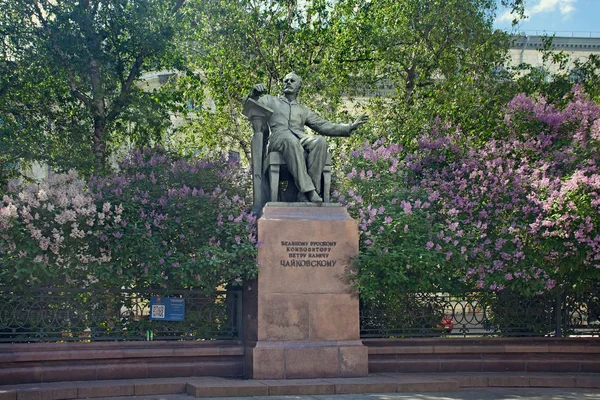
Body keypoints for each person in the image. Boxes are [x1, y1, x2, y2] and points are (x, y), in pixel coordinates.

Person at [246, 72, 368, 203]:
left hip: (299, 138)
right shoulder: (270, 100)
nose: (288, 82)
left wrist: (350, 127)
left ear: (298, 87)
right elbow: (250, 104)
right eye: (285, 80)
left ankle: (306, 194)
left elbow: (323, 125)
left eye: (292, 81)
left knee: (320, 141)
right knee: (290, 140)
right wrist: (254, 94)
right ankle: (309, 191)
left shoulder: (303, 110)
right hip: (278, 138)